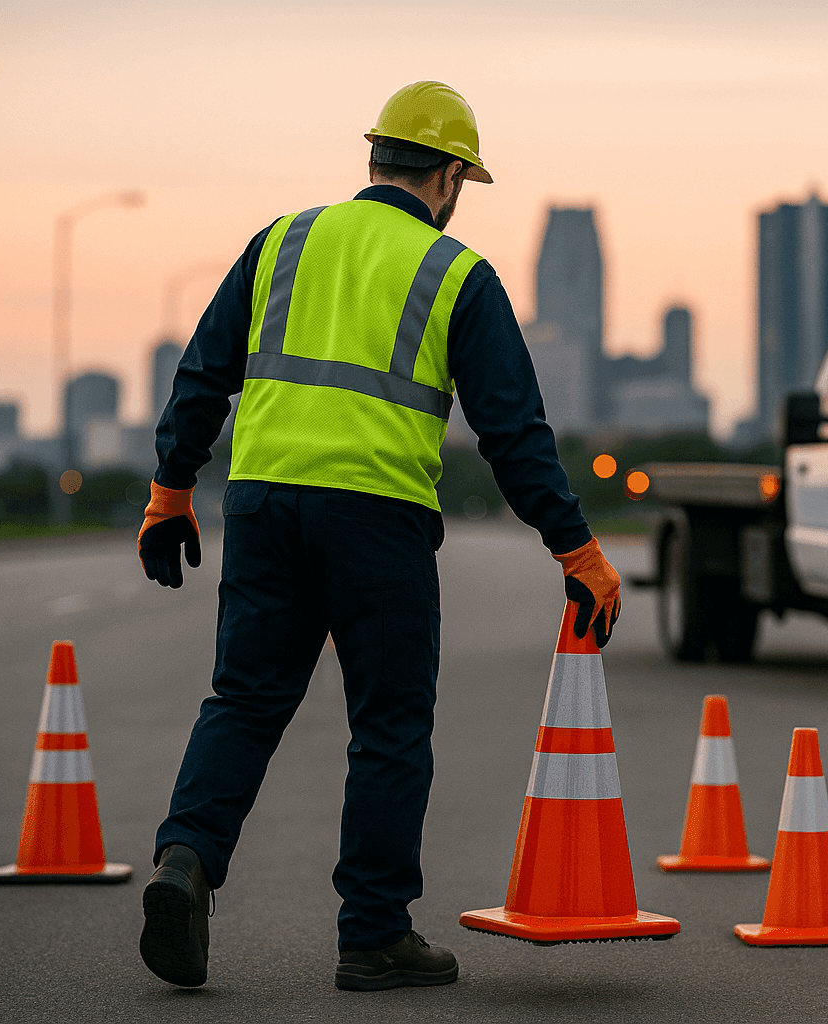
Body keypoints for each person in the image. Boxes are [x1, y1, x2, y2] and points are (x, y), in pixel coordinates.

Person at [135, 80, 621, 992]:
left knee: (243, 701)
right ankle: (372, 934)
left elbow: (202, 373)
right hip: (377, 519)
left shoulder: (282, 240)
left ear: (374, 159)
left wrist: (169, 491)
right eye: (460, 183)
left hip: (263, 505)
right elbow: (515, 433)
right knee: (389, 726)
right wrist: (576, 550)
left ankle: (185, 863)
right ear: (446, 176)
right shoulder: (457, 276)